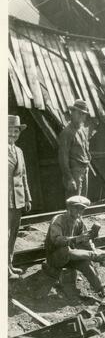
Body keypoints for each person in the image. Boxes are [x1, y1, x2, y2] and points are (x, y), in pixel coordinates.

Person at [43, 196, 105, 297]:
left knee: (85, 263)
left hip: (71, 258)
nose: (79, 211)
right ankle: (93, 256)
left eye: (82, 209)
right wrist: (77, 239)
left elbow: (86, 241)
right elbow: (57, 240)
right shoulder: (58, 220)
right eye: (76, 208)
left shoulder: (79, 221)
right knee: (67, 250)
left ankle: (101, 288)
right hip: (55, 257)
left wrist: (92, 248)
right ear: (69, 208)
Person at [8, 115, 32, 279]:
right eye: (9, 131)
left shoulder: (19, 151)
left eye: (16, 131)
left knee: (14, 233)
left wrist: (27, 198)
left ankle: (8, 264)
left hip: (17, 200)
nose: (13, 135)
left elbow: (23, 176)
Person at [58, 99, 91, 198]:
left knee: (82, 203)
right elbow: (63, 157)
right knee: (74, 204)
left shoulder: (83, 130)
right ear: (72, 113)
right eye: (79, 113)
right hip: (74, 172)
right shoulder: (66, 133)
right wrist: (69, 178)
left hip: (84, 170)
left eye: (83, 114)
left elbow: (86, 150)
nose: (81, 116)